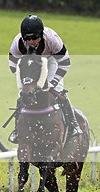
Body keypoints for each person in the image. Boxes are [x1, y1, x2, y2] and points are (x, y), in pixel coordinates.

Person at [7, 14, 83, 143]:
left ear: (41, 35)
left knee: (57, 91)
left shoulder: (52, 40)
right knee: (22, 94)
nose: (30, 42)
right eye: (27, 39)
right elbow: (13, 65)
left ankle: (73, 124)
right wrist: (27, 82)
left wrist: (52, 83)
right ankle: (17, 131)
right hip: (29, 64)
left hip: (51, 60)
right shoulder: (18, 43)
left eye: (34, 38)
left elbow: (65, 63)